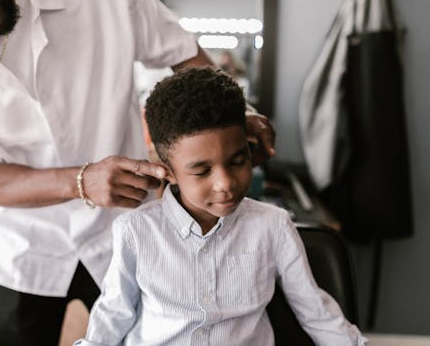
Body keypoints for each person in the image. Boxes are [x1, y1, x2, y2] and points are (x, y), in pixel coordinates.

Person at [0, 0, 276, 345]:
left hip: (129, 239)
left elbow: (184, 54)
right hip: (22, 249)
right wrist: (81, 182)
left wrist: (238, 114)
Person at [76, 67, 367, 346]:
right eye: (202, 171)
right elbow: (114, 314)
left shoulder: (273, 226)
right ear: (168, 171)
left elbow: (316, 312)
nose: (225, 183)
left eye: (238, 161)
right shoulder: (135, 230)